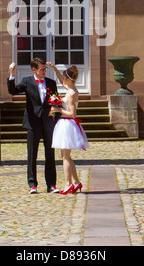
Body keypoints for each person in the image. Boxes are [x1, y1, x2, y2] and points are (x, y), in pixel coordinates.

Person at [7, 57, 61, 194]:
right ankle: (32, 184)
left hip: (48, 121)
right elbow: (12, 91)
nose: (44, 71)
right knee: (32, 154)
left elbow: (56, 102)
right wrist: (11, 74)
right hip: (33, 122)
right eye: (41, 69)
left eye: (45, 69)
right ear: (34, 70)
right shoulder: (27, 81)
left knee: (50, 154)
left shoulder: (51, 83)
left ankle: (51, 185)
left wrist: (58, 121)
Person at [47, 63, 89, 195]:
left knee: (65, 156)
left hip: (67, 124)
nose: (63, 79)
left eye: (65, 77)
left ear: (69, 79)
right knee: (66, 155)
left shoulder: (71, 93)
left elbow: (73, 113)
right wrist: (54, 68)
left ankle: (68, 183)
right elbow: (61, 79)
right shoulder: (71, 88)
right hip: (66, 124)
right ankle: (76, 182)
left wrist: (58, 109)